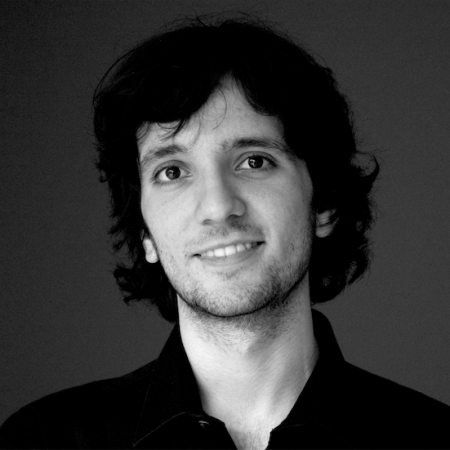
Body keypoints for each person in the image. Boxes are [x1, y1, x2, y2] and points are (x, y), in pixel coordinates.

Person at [1, 15, 449, 450]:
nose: (217, 206)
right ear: (145, 234)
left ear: (324, 205)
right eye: (173, 171)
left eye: (254, 161)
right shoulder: (42, 441)